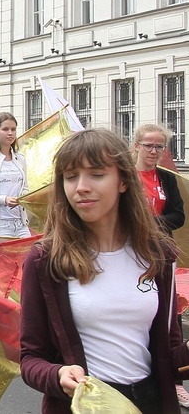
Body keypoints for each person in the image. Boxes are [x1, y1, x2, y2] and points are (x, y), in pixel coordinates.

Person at [19, 128, 189, 414]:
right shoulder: (44, 260)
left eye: (96, 174)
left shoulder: (159, 256)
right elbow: (31, 358)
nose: (80, 187)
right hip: (84, 406)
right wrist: (57, 376)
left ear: (123, 181)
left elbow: (169, 357)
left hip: (151, 403)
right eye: (71, 177)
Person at [133, 123, 189, 408]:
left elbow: (178, 216)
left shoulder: (166, 179)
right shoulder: (125, 177)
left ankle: (176, 379)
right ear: (137, 145)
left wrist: (153, 224)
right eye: (149, 146)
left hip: (162, 253)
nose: (154, 152)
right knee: (138, 310)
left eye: (159, 147)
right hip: (132, 254)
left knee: (169, 314)